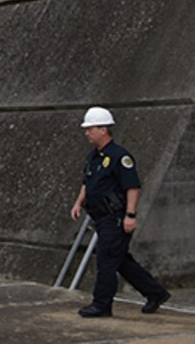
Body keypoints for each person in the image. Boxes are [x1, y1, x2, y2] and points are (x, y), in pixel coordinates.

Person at [69, 106, 170, 318]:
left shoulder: (120, 157)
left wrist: (130, 215)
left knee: (106, 260)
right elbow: (87, 182)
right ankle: (156, 293)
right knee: (121, 261)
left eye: (90, 128)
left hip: (115, 218)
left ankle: (101, 305)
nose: (87, 132)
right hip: (100, 216)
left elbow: (132, 187)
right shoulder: (93, 156)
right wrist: (78, 203)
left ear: (103, 129)